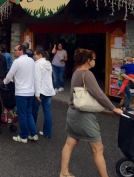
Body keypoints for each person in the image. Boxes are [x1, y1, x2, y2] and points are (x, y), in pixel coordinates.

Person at [59, 48, 123, 177]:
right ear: (88, 61)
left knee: (70, 143)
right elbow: (99, 94)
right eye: (94, 59)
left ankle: (64, 172)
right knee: (98, 149)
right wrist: (113, 108)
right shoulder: (86, 73)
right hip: (83, 115)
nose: (95, 62)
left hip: (72, 112)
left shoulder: (76, 72)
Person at [4, 44, 37, 143]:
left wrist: (4, 82)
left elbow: (10, 75)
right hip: (30, 91)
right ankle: (33, 134)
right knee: (29, 113)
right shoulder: (31, 61)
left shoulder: (17, 62)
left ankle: (23, 136)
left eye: (15, 50)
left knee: (22, 115)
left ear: (21, 51)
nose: (14, 51)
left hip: (21, 92)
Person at [32, 48, 55, 138]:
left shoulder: (37, 65)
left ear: (40, 55)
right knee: (47, 112)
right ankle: (47, 133)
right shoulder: (48, 63)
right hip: (49, 90)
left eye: (35, 54)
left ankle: (32, 131)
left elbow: (37, 79)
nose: (34, 56)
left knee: (34, 111)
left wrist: (37, 94)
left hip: (40, 91)